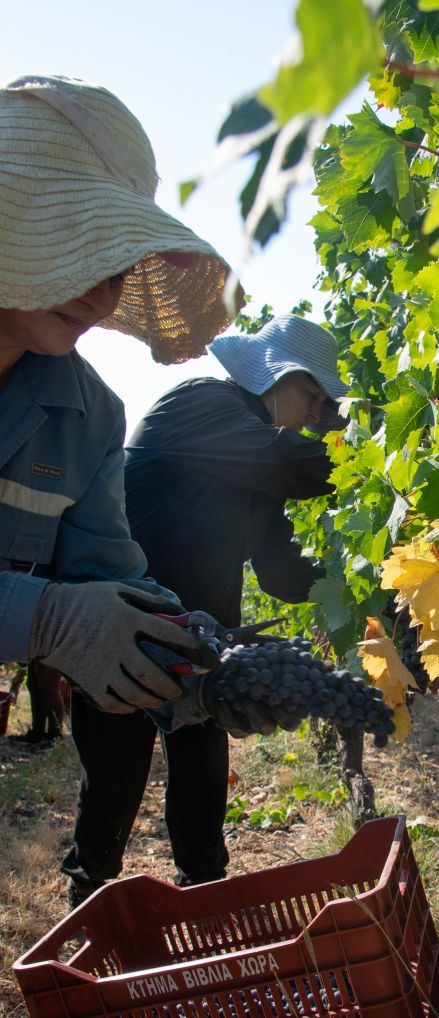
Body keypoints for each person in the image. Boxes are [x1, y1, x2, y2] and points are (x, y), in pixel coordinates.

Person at [0, 73, 242, 905]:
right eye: (79, 240)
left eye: (117, 259)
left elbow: (104, 568)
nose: (105, 291)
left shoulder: (90, 414)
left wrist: (197, 660)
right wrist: (46, 618)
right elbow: (61, 610)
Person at [60, 314, 345, 893]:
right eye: (312, 396)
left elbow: (283, 575)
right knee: (113, 787)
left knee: (202, 787)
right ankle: (89, 912)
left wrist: (357, 586)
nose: (316, 414)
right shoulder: (203, 405)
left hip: (204, 647)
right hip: (126, 626)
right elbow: (291, 463)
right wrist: (372, 449)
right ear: (274, 375)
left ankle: (203, 903)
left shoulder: (257, 465)